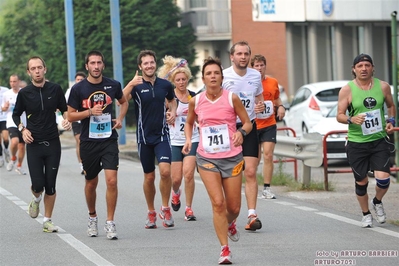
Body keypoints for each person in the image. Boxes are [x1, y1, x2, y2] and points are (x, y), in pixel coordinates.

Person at [182, 57, 252, 264]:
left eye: (216, 73)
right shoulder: (196, 100)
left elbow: (247, 123)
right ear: (203, 78)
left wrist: (241, 133)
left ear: (222, 77)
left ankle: (229, 223)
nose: (213, 76)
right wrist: (188, 139)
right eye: (208, 74)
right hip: (207, 158)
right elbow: (188, 123)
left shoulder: (232, 98)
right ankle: (224, 249)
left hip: (232, 158)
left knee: (234, 208)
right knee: (218, 204)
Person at [67, 50, 128, 240]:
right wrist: (89, 112)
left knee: (111, 180)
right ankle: (92, 216)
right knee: (91, 182)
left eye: (99, 63)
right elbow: (70, 115)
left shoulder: (113, 85)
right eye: (92, 63)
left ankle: (110, 222)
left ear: (103, 65)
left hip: (108, 139)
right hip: (88, 141)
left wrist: (119, 118)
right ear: (87, 66)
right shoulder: (79, 89)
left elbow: (124, 102)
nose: (96, 66)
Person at [12, 56, 72, 232]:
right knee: (38, 185)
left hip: (53, 142)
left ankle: (47, 220)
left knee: (51, 184)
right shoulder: (25, 93)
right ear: (29, 72)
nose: (37, 71)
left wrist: (67, 121)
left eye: (40, 67)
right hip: (34, 142)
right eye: (33, 68)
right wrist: (23, 129)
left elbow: (64, 109)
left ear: (45, 69)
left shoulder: (55, 89)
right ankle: (36, 198)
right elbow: (16, 115)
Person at [336, 53, 396, 228]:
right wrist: (351, 119)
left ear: (373, 68)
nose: (364, 68)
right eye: (360, 66)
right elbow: (339, 115)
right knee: (361, 181)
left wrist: (391, 121)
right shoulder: (347, 90)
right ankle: (366, 214)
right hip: (357, 142)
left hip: (379, 140)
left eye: (367, 65)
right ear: (354, 69)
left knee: (384, 179)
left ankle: (377, 201)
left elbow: (391, 105)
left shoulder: (383, 87)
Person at [123, 50, 177, 229]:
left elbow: (172, 100)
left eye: (151, 62)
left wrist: (173, 112)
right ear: (140, 66)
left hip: (162, 135)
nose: (149, 66)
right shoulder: (136, 86)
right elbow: (120, 100)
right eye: (145, 63)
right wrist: (130, 83)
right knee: (149, 176)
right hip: (144, 138)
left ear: (155, 64)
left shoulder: (164, 85)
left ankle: (165, 207)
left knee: (165, 172)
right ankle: (151, 211)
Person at [222, 41, 265, 231]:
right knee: (232, 174)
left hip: (249, 127)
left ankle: (251, 213)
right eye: (239, 54)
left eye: (246, 54)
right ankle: (230, 213)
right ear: (232, 57)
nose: (243, 57)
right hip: (229, 129)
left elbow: (259, 98)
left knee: (250, 171)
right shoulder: (224, 75)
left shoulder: (256, 75)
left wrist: (260, 106)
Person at [157, 55, 199, 221]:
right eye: (178, 79)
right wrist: (167, 116)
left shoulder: (193, 97)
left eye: (184, 79)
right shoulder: (169, 99)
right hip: (174, 140)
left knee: (188, 174)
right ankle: (176, 193)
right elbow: (160, 116)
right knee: (175, 179)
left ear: (188, 79)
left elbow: (200, 116)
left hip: (192, 138)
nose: (181, 82)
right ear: (173, 81)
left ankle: (188, 208)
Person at [251, 54, 286, 199]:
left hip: (269, 124)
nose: (259, 68)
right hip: (253, 124)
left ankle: (267, 188)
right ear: (252, 68)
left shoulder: (272, 81)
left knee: (268, 155)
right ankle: (251, 185)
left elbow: (276, 97)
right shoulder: (249, 83)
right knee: (255, 159)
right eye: (256, 66)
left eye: (261, 65)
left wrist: (281, 106)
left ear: (265, 66)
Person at [1, 74, 27, 174]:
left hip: (23, 122)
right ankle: (13, 157)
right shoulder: (6, 94)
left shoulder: (24, 93)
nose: (13, 84)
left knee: (21, 146)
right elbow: (3, 108)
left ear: (19, 82)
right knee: (14, 142)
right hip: (11, 122)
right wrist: (5, 107)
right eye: (11, 82)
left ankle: (19, 166)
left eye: (15, 81)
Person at [65, 71, 87, 175]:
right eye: (77, 80)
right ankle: (81, 164)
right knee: (79, 141)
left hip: (87, 119)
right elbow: (65, 107)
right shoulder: (70, 91)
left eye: (81, 80)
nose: (79, 82)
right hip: (75, 120)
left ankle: (88, 162)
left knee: (86, 142)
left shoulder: (88, 89)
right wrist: (66, 119)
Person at [0, 85, 10, 167]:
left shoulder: (5, 90)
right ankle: (1, 157)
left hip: (4, 118)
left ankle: (6, 149)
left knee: (6, 138)